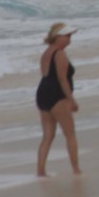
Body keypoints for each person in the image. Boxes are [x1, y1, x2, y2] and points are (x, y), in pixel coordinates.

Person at [35, 23, 81, 177]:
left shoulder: (46, 53)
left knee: (48, 135)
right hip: (57, 95)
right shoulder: (60, 54)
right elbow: (62, 80)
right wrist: (71, 99)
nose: (70, 40)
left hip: (42, 93)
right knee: (70, 134)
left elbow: (46, 76)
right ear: (57, 37)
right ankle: (76, 170)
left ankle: (41, 171)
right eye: (67, 36)